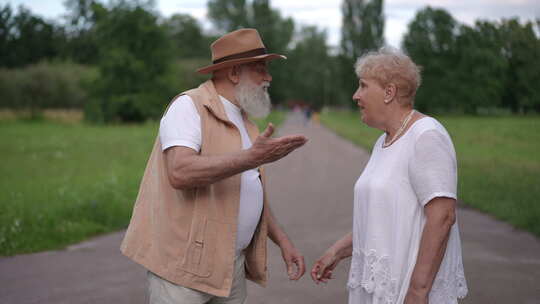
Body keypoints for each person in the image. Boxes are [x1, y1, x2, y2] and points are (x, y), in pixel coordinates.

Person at [121, 28, 307, 304]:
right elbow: (180, 172)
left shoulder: (246, 123)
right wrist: (253, 157)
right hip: (182, 268)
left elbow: (247, 190)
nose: (268, 77)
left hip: (229, 267)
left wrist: (283, 241)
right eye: (260, 69)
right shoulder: (189, 106)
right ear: (234, 73)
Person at [310, 47, 468, 304]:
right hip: (379, 288)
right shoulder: (384, 142)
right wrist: (337, 251)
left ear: (389, 92)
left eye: (363, 86)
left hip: (406, 289)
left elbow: (443, 217)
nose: (355, 96)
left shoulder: (426, 136)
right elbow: (382, 218)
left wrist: (417, 292)